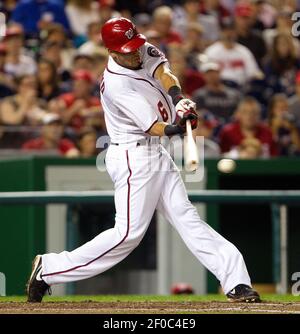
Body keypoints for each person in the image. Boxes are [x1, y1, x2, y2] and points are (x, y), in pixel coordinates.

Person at [26, 17, 261, 303]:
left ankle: (235, 281)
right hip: (132, 155)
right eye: (127, 50)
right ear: (112, 53)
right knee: (127, 235)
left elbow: (163, 71)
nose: (135, 52)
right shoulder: (116, 84)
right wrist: (178, 125)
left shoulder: (139, 48)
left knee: (187, 218)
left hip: (154, 153)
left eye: (135, 45)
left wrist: (179, 99)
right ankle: (49, 270)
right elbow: (154, 127)